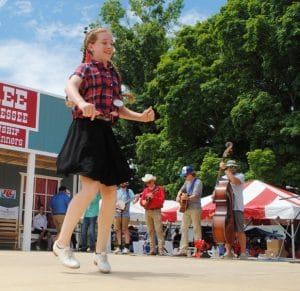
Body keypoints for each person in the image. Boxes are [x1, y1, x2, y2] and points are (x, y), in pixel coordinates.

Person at [53, 27, 155, 274]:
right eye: (104, 42)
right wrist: (81, 102)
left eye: (112, 43)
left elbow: (117, 108)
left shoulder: (113, 76)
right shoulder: (85, 69)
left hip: (105, 132)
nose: (110, 47)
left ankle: (101, 253)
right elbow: (70, 86)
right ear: (91, 46)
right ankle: (62, 244)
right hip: (86, 129)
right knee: (89, 188)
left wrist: (141, 117)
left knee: (110, 193)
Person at [219, 159, 247, 260]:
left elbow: (235, 181)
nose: (232, 168)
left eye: (233, 167)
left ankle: (243, 253)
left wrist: (226, 170)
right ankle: (228, 252)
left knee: (240, 230)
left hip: (237, 207)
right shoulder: (223, 177)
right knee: (227, 231)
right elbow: (219, 191)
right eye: (230, 166)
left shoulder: (240, 176)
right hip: (226, 207)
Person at [175, 166, 203, 256]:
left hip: (195, 208)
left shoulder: (198, 182)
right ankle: (183, 250)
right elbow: (181, 190)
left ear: (191, 174)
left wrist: (187, 198)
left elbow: (196, 195)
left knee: (196, 229)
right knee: (183, 228)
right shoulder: (186, 182)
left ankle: (198, 250)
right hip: (186, 208)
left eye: (185, 176)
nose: (184, 177)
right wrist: (178, 196)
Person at [140, 174, 165, 256]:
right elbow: (142, 201)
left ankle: (161, 250)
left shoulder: (160, 189)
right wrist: (143, 202)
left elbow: (161, 201)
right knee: (150, 231)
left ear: (153, 181)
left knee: (159, 230)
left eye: (149, 182)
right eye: (146, 182)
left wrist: (153, 197)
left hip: (156, 211)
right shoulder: (145, 190)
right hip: (147, 211)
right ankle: (152, 250)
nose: (148, 184)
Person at [113, 182, 139, 254]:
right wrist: (116, 205)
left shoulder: (129, 191)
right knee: (117, 230)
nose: (122, 183)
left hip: (125, 214)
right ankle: (119, 247)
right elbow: (113, 201)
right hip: (116, 213)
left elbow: (133, 201)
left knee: (125, 229)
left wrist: (137, 198)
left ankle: (126, 247)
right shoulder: (117, 191)